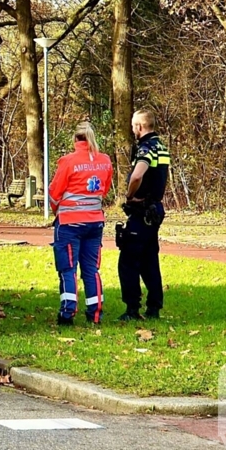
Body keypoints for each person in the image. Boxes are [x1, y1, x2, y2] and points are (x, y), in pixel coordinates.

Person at [48, 122, 114, 325]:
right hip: (95, 223)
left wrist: (56, 210)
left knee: (68, 268)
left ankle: (67, 313)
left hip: (70, 223)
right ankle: (95, 314)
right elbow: (104, 189)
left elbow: (54, 192)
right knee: (91, 269)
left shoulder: (68, 161)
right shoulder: (105, 161)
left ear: (76, 139)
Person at [117, 109, 170, 321]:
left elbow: (138, 175)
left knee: (128, 261)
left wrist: (129, 196)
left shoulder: (146, 148)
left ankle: (132, 309)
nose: (132, 130)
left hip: (142, 210)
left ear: (139, 127)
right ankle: (154, 308)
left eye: (133, 126)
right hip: (155, 209)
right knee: (149, 260)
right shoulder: (161, 147)